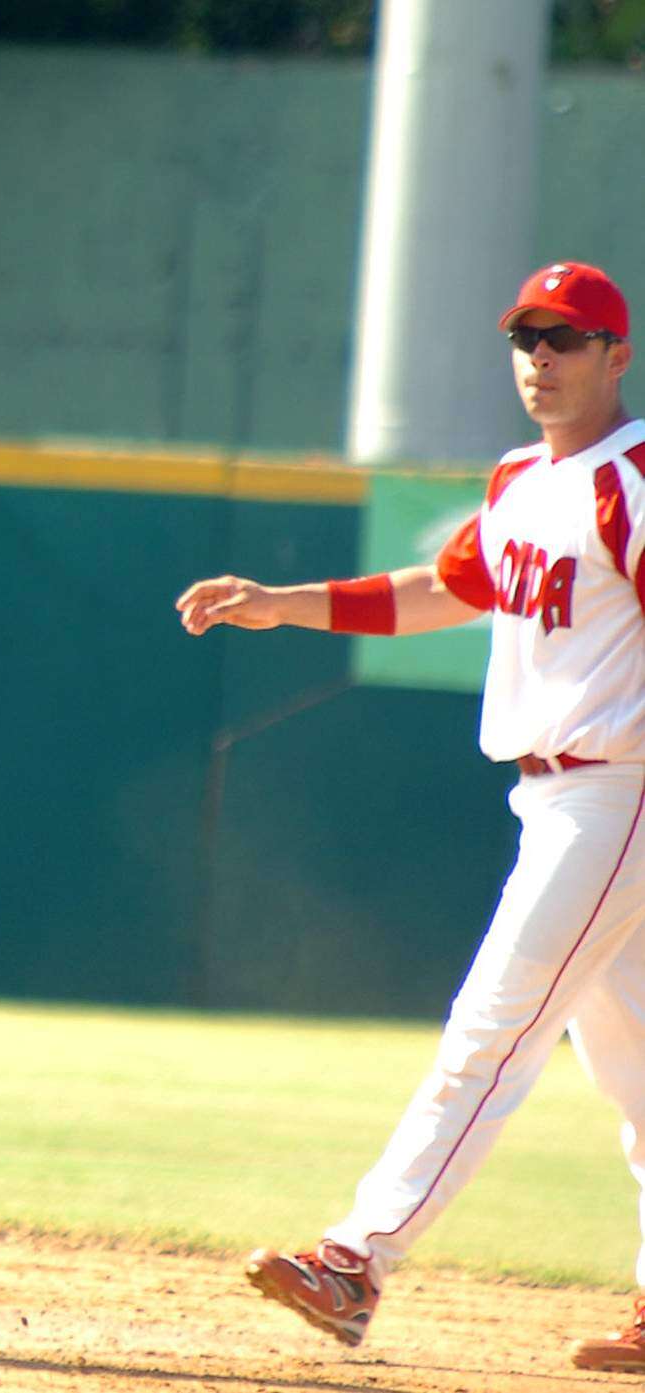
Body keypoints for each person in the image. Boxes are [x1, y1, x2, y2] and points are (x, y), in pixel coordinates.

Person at [176, 261, 645, 1370]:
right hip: (557, 794)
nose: (542, 357)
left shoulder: (632, 485)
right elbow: (449, 588)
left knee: (494, 1026)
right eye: (527, 336)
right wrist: (288, 604)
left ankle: (356, 1260)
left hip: (618, 790)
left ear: (617, 357)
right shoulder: (523, 478)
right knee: (632, 1064)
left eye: (567, 338)